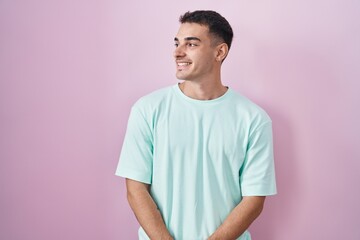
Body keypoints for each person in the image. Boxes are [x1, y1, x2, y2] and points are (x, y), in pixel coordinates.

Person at [116, 10, 277, 240]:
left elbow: (254, 200)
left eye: (191, 44)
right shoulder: (147, 109)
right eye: (177, 43)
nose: (177, 52)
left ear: (219, 52)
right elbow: (135, 189)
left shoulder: (253, 119)